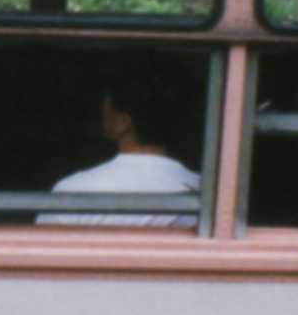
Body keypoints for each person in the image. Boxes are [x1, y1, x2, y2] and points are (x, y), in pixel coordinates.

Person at [41, 86, 201, 229]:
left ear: (122, 123)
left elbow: (42, 252)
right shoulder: (205, 192)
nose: (101, 120)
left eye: (105, 113)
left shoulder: (72, 190)